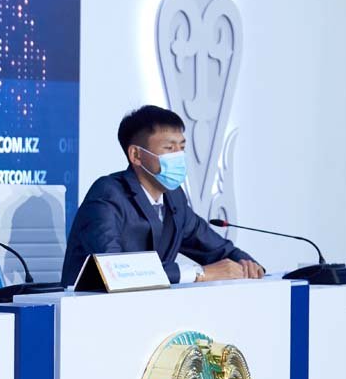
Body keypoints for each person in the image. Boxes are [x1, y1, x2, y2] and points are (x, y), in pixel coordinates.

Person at [61, 105, 265, 287]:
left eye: (182, 147)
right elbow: (115, 269)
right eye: (169, 148)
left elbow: (214, 247)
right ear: (136, 155)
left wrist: (249, 266)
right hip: (90, 308)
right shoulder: (108, 194)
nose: (179, 156)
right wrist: (200, 273)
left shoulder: (174, 197)